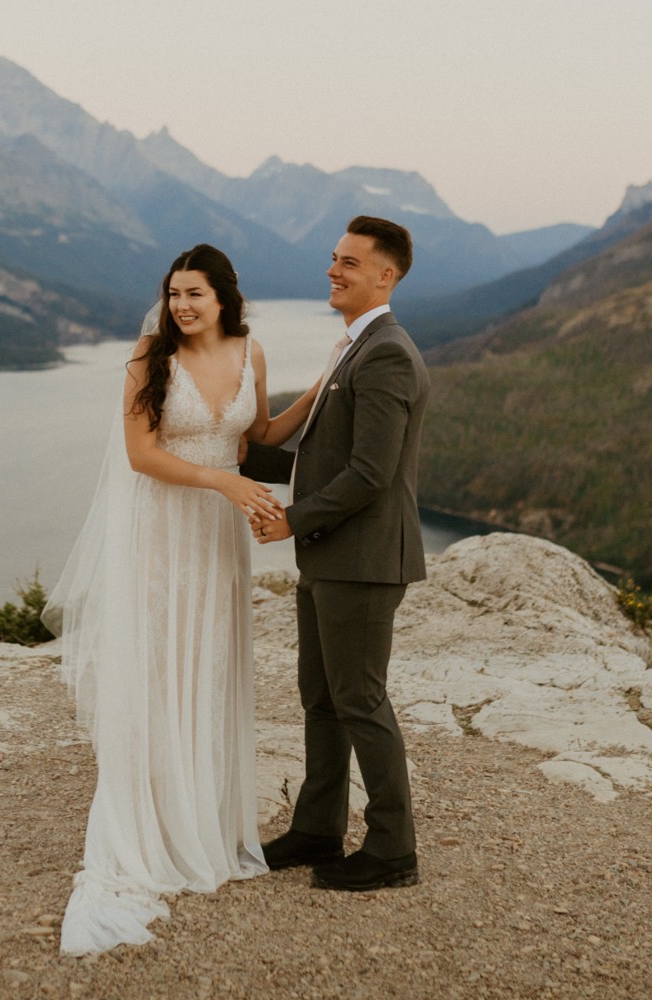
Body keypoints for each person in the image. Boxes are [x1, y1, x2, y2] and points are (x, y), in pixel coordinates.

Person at [42, 244, 321, 954]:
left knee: (211, 664)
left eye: (194, 293)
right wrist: (225, 484)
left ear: (224, 297)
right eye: (174, 294)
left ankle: (203, 819)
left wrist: (320, 391)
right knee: (162, 665)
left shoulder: (250, 352)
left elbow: (255, 438)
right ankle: (151, 824)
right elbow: (143, 454)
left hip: (218, 542)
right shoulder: (149, 357)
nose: (182, 306)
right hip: (162, 530)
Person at [242, 216, 430, 891]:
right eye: (333, 258)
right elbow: (312, 451)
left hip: (364, 559)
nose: (333, 270)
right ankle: (319, 828)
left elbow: (371, 472)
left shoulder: (386, 352)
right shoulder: (351, 347)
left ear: (387, 275)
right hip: (330, 557)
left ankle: (392, 850)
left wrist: (291, 520)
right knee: (320, 697)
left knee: (360, 699)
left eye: (350, 262)